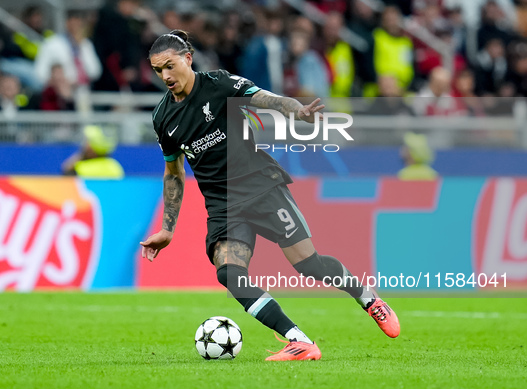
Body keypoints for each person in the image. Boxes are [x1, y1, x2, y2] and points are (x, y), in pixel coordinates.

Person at [140, 30, 400, 362]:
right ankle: (299, 340)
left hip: (262, 186)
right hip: (224, 204)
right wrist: (167, 228)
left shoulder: (219, 85)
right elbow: (173, 174)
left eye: (170, 66)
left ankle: (368, 298)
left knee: (309, 264)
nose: (165, 76)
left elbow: (268, 98)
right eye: (158, 70)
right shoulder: (163, 118)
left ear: (187, 59)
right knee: (229, 273)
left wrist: (297, 111)